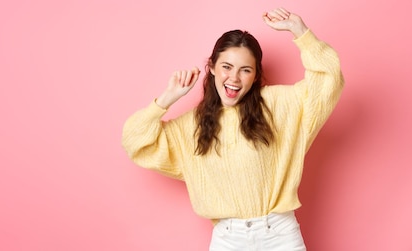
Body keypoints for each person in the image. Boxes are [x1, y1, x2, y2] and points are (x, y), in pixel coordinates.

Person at [121, 8, 344, 251]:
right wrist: (166, 99)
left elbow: (328, 80)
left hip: (280, 235)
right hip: (228, 240)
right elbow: (135, 142)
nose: (234, 78)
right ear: (213, 67)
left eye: (245, 70)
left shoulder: (280, 105)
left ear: (256, 75)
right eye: (227, 66)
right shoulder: (191, 125)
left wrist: (301, 32)